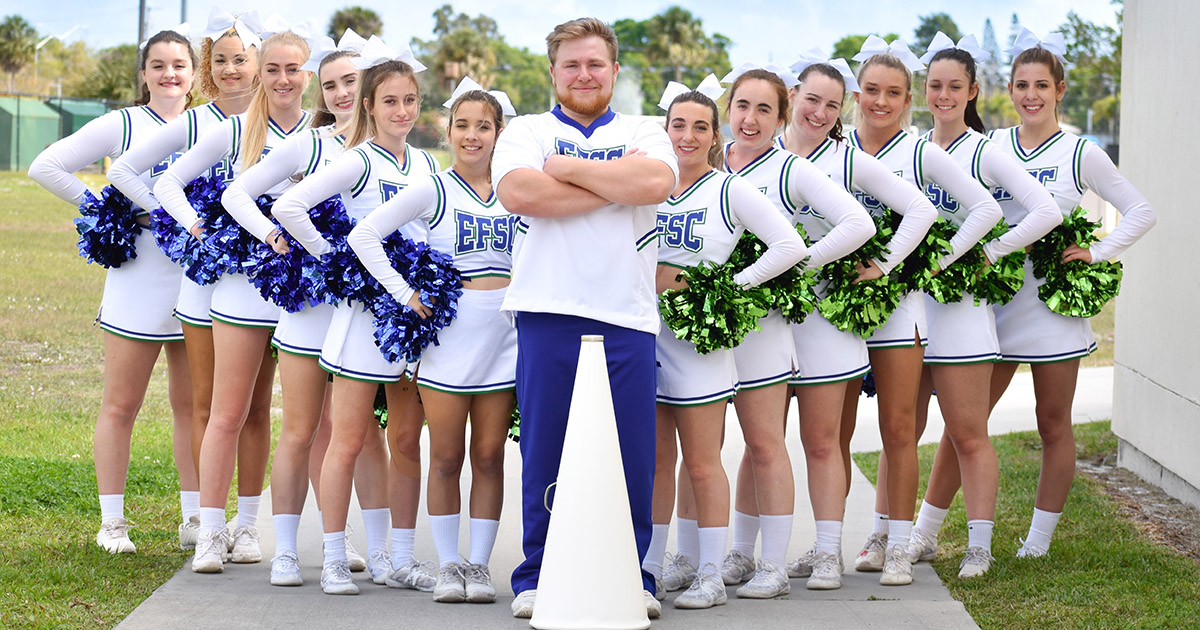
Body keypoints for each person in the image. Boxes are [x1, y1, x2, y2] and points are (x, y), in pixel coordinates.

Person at [491, 17, 677, 620]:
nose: (584, 74)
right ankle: (537, 575)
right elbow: (521, 195)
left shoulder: (646, 129)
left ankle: (634, 574)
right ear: (553, 72)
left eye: (595, 63)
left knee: (631, 456)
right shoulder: (526, 129)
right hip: (548, 308)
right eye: (571, 64)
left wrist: (565, 168)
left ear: (615, 70)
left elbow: (654, 182)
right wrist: (613, 182)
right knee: (545, 449)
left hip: (626, 313)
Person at [219, 31, 392, 586]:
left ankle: (380, 550)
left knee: (364, 433)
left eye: (354, 82)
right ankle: (288, 550)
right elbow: (236, 195)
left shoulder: (392, 151)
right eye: (334, 82)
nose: (343, 93)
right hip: (313, 307)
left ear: (370, 88)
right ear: (323, 87)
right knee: (299, 430)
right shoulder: (308, 146)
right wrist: (286, 240)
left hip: (362, 315)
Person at [270, 37, 439, 595]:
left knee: (405, 439)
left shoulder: (425, 165)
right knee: (345, 439)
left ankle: (396, 556)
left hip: (409, 322)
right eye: (389, 100)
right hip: (365, 317)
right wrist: (338, 262)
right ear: (369, 104)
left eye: (410, 100)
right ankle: (336, 558)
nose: (401, 111)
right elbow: (287, 206)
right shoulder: (359, 160)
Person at [893, 33, 1063, 579]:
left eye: (954, 87)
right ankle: (903, 537)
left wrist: (986, 251)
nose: (943, 95)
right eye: (935, 85)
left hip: (963, 307)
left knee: (967, 430)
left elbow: (1042, 212)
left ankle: (979, 547)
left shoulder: (985, 150)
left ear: (973, 92)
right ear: (924, 90)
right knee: (904, 428)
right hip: (914, 308)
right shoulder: (914, 149)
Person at [770, 51, 940, 590]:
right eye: (811, 99)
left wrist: (884, 264)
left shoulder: (847, 160)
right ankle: (827, 548)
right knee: (826, 440)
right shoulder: (765, 155)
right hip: (793, 317)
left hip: (861, 310)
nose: (819, 112)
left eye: (831, 105)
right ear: (792, 96)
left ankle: (897, 545)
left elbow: (922, 211)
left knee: (896, 429)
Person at [350, 78, 518, 605]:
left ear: (499, 133)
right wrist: (405, 294)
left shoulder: (518, 190)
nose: (473, 136)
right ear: (448, 132)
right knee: (445, 455)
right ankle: (448, 566)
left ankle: (479, 565)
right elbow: (364, 235)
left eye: (483, 127)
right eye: (463, 126)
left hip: (505, 336)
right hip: (449, 336)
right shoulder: (434, 188)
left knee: (490, 455)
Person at [984, 29, 1152, 558]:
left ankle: (1036, 541)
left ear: (1059, 90)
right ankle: (925, 528)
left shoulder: (1080, 151)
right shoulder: (992, 147)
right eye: (1020, 85)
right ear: (1009, 91)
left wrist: (1096, 252)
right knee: (969, 421)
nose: (1030, 94)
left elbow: (1142, 211)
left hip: (1050, 310)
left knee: (1053, 423)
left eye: (1041, 85)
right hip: (994, 304)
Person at [28, 29, 196, 554]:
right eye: (159, 65)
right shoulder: (123, 122)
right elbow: (45, 165)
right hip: (139, 271)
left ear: (195, 74)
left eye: (180, 65)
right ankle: (112, 523)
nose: (170, 74)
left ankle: (196, 519)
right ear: (143, 75)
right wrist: (101, 206)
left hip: (195, 275)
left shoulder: (209, 124)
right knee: (121, 404)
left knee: (194, 408)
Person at [107, 12, 270, 554]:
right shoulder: (198, 123)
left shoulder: (289, 124)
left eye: (239, 59)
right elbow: (127, 171)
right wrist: (180, 220)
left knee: (254, 407)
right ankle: (206, 522)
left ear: (259, 64)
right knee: (208, 405)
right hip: (203, 283)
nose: (229, 69)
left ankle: (246, 526)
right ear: (209, 66)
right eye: (219, 60)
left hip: (266, 283)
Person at [154, 28, 313, 573]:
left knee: (265, 414)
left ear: (307, 75)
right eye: (272, 69)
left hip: (298, 293)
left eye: (293, 70)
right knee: (228, 409)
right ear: (259, 73)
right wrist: (201, 227)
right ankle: (210, 531)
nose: (283, 80)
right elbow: (168, 183)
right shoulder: (234, 130)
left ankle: (248, 527)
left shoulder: (324, 133)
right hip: (241, 284)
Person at [646, 79, 809, 609]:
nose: (688, 136)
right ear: (663, 130)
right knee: (653, 460)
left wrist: (724, 288)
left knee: (701, 460)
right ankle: (651, 567)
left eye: (700, 126)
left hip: (700, 342)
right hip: (646, 334)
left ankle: (712, 574)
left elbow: (789, 245)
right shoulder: (644, 183)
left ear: (715, 135)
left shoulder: (728, 189)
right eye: (678, 125)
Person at [845, 36, 1001, 586]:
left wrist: (932, 259)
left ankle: (973, 547)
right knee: (896, 431)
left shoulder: (920, 152)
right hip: (856, 310)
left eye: (893, 93)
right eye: (871, 91)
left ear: (907, 99)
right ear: (856, 94)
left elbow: (982, 209)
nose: (881, 102)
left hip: (924, 306)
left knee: (948, 429)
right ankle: (884, 533)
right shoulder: (839, 151)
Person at [718, 65, 874, 598]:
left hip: (807, 321)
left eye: (764, 109)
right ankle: (740, 551)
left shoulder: (793, 169)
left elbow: (860, 225)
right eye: (743, 106)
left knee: (820, 442)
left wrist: (800, 264)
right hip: (742, 326)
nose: (751, 117)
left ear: (778, 111)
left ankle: (827, 552)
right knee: (757, 444)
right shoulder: (713, 162)